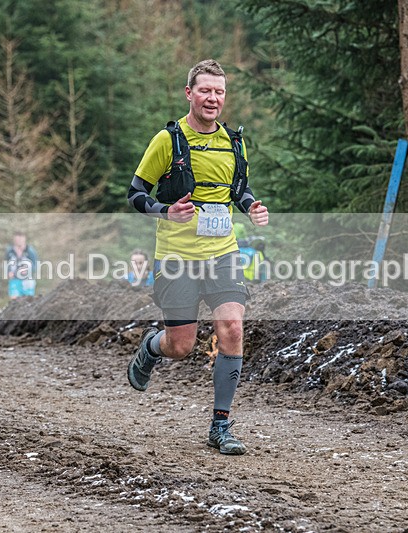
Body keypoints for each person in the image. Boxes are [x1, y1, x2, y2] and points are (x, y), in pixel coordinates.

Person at [126, 59, 269, 455]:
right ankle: (151, 347)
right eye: (205, 90)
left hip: (222, 252)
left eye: (219, 92)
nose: (212, 98)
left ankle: (221, 425)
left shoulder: (234, 142)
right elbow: (135, 193)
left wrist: (251, 206)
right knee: (181, 345)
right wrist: (165, 211)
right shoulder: (168, 140)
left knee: (232, 327)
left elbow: (238, 189)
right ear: (189, 93)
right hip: (177, 256)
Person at [5, 231, 38, 299]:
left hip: (27, 280)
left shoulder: (30, 251)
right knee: (14, 300)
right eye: (17, 240)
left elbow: (35, 265)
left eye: (20, 239)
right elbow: (7, 263)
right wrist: (9, 271)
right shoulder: (10, 251)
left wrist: (27, 270)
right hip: (14, 279)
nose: (19, 241)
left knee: (28, 300)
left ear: (24, 239)